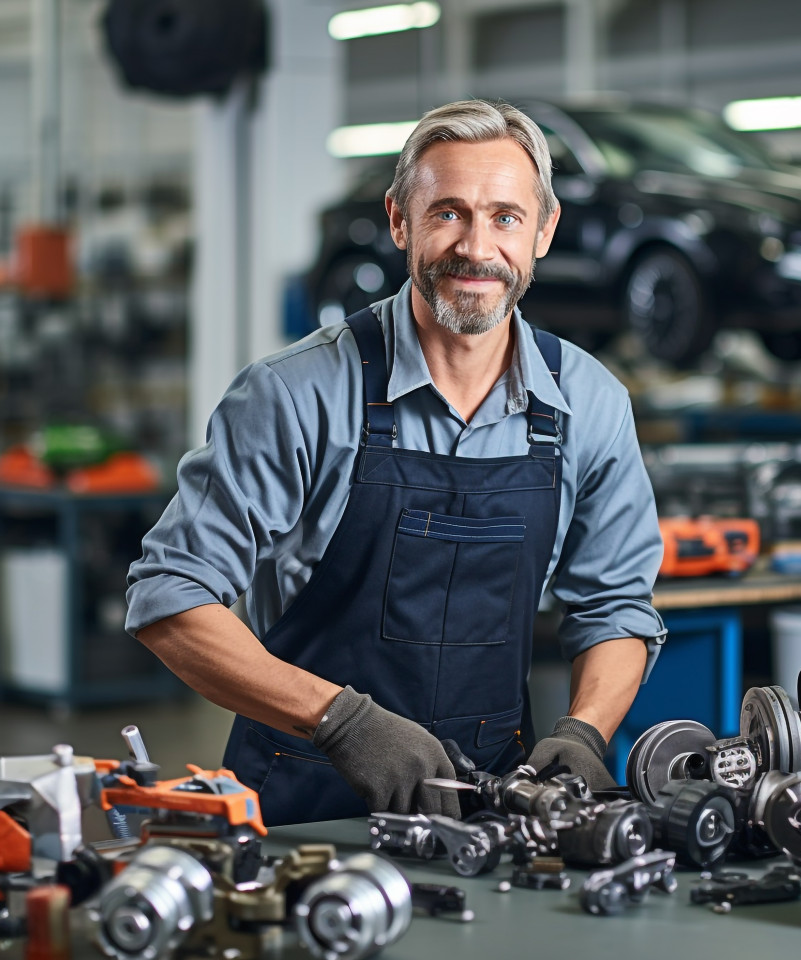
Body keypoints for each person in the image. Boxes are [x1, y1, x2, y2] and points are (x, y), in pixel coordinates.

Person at [125, 98, 666, 826]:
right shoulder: (296, 394)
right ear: (399, 221)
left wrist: (584, 730)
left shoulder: (591, 405)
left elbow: (614, 608)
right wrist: (340, 721)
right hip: (307, 809)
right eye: (448, 212)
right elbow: (168, 596)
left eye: (505, 217)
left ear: (544, 232)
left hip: (496, 807)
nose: (477, 247)